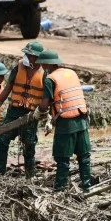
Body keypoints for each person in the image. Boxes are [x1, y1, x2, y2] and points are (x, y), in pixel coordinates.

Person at [33, 49, 91, 191]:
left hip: (66, 123)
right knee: (84, 156)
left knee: (62, 158)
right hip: (82, 119)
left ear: (47, 65)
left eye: (42, 65)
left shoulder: (50, 79)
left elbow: (45, 104)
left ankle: (60, 188)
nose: (41, 67)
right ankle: (87, 186)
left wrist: (37, 114)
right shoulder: (71, 73)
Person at [0, 41, 45, 177]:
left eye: (29, 54)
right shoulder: (18, 67)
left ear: (37, 57)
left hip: (32, 113)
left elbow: (48, 97)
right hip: (14, 111)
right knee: (3, 139)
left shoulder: (45, 72)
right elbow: (7, 88)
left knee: (29, 144)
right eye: (25, 53)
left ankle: (30, 175)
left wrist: (46, 117)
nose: (25, 56)